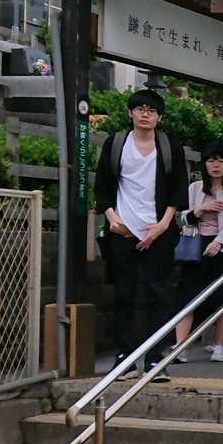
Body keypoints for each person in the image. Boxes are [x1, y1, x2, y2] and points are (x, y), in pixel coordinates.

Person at [95, 89, 189, 380]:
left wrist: (162, 225)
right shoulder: (116, 143)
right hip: (122, 231)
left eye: (151, 110)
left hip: (159, 231)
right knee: (124, 294)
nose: (145, 114)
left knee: (159, 295)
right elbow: (102, 187)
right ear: (130, 113)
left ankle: (155, 358)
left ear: (159, 117)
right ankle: (124, 357)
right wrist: (113, 219)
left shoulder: (169, 146)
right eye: (140, 109)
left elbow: (178, 190)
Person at [174, 146, 223, 362]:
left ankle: (220, 346)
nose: (216, 166)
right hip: (196, 246)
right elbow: (182, 218)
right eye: (211, 161)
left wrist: (219, 241)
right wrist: (200, 210)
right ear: (204, 164)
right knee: (188, 297)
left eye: (220, 161)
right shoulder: (195, 188)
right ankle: (180, 347)